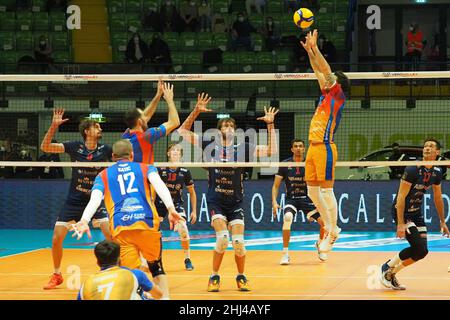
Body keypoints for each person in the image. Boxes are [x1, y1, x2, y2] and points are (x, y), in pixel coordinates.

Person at [178, 93, 278, 292]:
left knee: (239, 242)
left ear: (236, 131)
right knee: (223, 238)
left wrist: (270, 125)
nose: (229, 128)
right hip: (215, 201)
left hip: (235, 202)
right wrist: (196, 110)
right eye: (225, 126)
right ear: (219, 130)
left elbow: (269, 151)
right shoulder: (209, 145)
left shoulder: (244, 148)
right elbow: (182, 131)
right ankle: (214, 276)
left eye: (232, 126)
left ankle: (241, 276)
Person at [72, 139, 183, 300]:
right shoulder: (145, 168)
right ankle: (165, 298)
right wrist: (171, 208)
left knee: (132, 276)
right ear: (132, 155)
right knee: (156, 266)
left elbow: (95, 199)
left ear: (112, 156)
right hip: (147, 224)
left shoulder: (103, 175)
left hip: (121, 228)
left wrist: (84, 219)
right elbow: (159, 185)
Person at [40, 108, 112, 290]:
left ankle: (119, 269)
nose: (100, 129)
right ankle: (57, 274)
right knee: (56, 238)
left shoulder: (106, 150)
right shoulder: (74, 147)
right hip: (74, 201)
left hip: (95, 201)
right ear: (87, 131)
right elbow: (45, 147)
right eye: (96, 126)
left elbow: (123, 161)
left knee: (111, 235)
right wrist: (54, 126)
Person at [300, 30, 349, 254]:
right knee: (312, 192)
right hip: (312, 147)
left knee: (327, 191)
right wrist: (310, 51)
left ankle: (334, 229)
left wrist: (316, 48)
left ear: (339, 84)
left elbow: (326, 71)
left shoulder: (338, 95)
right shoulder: (325, 94)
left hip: (325, 148)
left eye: (332, 80)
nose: (328, 80)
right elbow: (318, 70)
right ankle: (329, 226)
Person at [380, 139, 450, 290]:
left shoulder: (437, 172)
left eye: (431, 146)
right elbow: (400, 197)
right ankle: (387, 268)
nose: (427, 148)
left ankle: (391, 272)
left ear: (437, 152)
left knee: (422, 252)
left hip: (416, 213)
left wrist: (442, 221)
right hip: (403, 212)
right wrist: (400, 223)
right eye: (425, 146)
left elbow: (438, 197)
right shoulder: (413, 169)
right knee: (417, 246)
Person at [272, 139, 327, 264]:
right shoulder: (285, 164)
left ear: (304, 149)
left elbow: (318, 184)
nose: (298, 148)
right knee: (287, 217)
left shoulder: (310, 164)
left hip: (308, 199)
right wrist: (274, 202)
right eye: (295, 146)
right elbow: (275, 186)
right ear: (292, 149)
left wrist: (319, 204)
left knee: (324, 223)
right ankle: (285, 254)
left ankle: (320, 245)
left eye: (300, 146)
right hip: (291, 199)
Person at [155, 143, 197, 271]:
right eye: (173, 150)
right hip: (159, 204)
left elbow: (192, 192)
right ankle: (154, 260)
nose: (175, 152)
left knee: (183, 228)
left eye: (178, 151)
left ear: (180, 155)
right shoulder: (160, 169)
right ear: (168, 153)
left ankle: (187, 259)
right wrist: (151, 202)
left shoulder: (185, 171)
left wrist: (194, 211)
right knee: (153, 231)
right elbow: (152, 187)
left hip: (176, 204)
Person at [78, 240, 163, 300]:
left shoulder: (86, 284)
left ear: (97, 262)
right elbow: (159, 295)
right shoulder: (135, 274)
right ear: (119, 259)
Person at [122, 81, 180, 165]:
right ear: (139, 121)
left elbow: (145, 117)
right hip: (143, 175)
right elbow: (175, 122)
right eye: (143, 116)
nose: (146, 117)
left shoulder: (126, 135)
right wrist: (170, 100)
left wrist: (158, 95)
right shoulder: (147, 136)